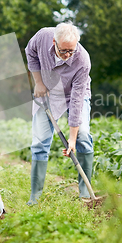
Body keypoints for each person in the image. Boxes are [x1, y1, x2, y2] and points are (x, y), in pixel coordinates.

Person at [25, 22, 93, 204]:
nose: (67, 55)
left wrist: (72, 138)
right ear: (54, 41)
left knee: (83, 136)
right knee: (39, 142)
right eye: (63, 51)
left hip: (73, 94)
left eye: (71, 51)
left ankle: (85, 193)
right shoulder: (42, 36)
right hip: (46, 90)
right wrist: (38, 82)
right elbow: (30, 53)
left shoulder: (83, 60)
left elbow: (78, 101)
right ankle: (35, 197)